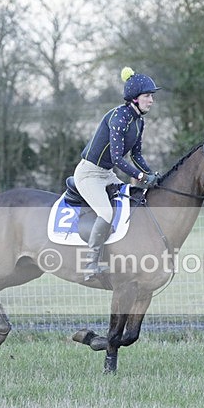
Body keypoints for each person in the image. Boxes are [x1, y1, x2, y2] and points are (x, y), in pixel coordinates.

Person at [74, 66, 161, 280]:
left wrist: (151, 174)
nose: (151, 100)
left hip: (106, 173)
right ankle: (90, 264)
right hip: (88, 174)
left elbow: (136, 155)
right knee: (106, 213)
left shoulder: (139, 121)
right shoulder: (119, 118)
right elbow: (116, 158)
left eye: (152, 96)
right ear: (134, 99)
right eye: (148, 96)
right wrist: (141, 177)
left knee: (130, 202)